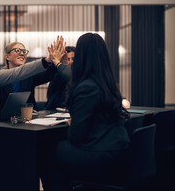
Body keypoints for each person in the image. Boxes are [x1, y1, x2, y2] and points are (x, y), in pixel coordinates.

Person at [40, 33, 130, 191]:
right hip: (119, 151)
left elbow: (76, 135)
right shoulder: (107, 82)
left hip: (103, 156)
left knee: (45, 152)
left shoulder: (86, 87)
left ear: (81, 56)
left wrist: (73, 122)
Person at [0, 41, 56, 114]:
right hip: (4, 121)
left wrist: (57, 61)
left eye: (24, 51)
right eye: (18, 50)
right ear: (7, 56)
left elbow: (48, 74)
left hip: (29, 119)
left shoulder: (29, 75)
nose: (22, 53)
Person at [44, 46, 75, 110]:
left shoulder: (80, 75)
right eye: (67, 59)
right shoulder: (57, 75)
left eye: (73, 59)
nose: (71, 62)